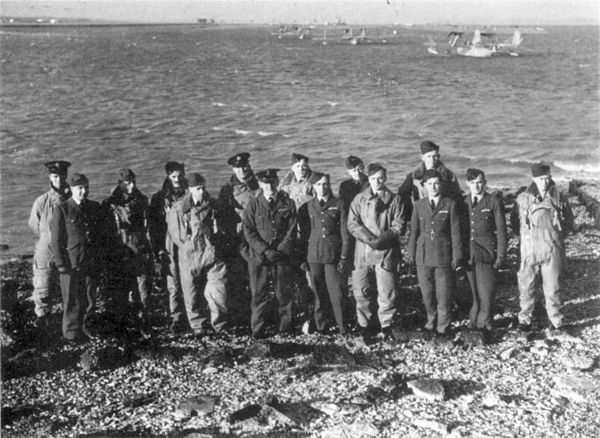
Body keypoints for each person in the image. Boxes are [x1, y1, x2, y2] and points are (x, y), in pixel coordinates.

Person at [510, 163, 573, 335]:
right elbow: (515, 223)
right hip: (528, 249)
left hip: (552, 248)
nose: (544, 182)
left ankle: (556, 320)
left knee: (553, 287)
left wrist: (555, 238)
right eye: (540, 179)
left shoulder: (559, 198)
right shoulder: (522, 199)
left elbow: (569, 223)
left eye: (546, 178)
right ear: (533, 179)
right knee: (526, 286)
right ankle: (525, 320)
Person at [347, 163, 405, 339]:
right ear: (368, 179)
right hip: (363, 251)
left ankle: (387, 324)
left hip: (386, 251)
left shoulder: (395, 200)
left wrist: (382, 239)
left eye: (380, 177)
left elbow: (399, 225)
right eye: (373, 178)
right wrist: (369, 239)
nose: (377, 181)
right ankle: (365, 324)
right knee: (361, 288)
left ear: (385, 177)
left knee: (387, 289)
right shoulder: (359, 199)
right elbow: (352, 223)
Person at [167, 173, 229, 335]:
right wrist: (189, 248)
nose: (202, 191)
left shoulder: (214, 205)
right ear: (189, 190)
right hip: (189, 257)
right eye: (198, 188)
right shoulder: (178, 208)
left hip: (213, 256)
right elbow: (176, 235)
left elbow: (223, 229)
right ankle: (198, 327)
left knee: (218, 293)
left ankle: (220, 326)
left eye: (203, 187)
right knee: (191, 296)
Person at [407, 169, 462, 336]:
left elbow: (455, 232)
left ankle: (443, 325)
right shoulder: (419, 205)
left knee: (443, 293)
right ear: (424, 185)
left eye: (437, 183)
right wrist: (410, 254)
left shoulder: (450, 205)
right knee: (427, 292)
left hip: (443, 254)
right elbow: (413, 232)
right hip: (423, 255)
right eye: (430, 183)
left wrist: (456, 255)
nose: (433, 187)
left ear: (441, 184)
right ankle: (431, 320)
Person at [243, 169, 297, 339]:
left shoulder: (287, 202)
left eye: (273, 182)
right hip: (260, 257)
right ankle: (258, 329)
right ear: (260, 184)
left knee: (283, 292)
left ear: (277, 182)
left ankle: (285, 327)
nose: (270, 186)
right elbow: (248, 231)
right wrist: (265, 250)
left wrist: (280, 250)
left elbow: (292, 228)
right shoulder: (254, 203)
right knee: (259, 293)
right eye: (266, 183)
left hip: (281, 256)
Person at [51, 173, 103, 343]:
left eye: (86, 187)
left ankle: (87, 327)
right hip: (70, 263)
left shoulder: (94, 207)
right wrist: (61, 264)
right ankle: (71, 333)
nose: (83, 191)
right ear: (72, 189)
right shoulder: (63, 209)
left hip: (90, 261)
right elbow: (57, 240)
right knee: (71, 299)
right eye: (80, 188)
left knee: (89, 297)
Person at [298, 172, 350, 335]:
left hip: (332, 256)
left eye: (326, 184)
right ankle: (322, 326)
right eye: (319, 184)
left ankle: (342, 327)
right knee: (318, 293)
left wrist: (344, 257)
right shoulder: (306, 207)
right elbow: (303, 236)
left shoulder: (339, 204)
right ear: (313, 187)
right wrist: (302, 257)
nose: (323, 187)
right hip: (313, 256)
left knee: (337, 293)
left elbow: (345, 234)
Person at [102, 168, 152, 325]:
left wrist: (149, 249)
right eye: (128, 183)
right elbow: (106, 233)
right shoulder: (110, 204)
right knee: (123, 289)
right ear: (120, 184)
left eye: (134, 183)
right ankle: (124, 320)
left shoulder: (142, 200)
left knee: (143, 289)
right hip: (121, 252)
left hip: (140, 250)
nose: (132, 186)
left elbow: (147, 227)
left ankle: (143, 317)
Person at [28, 160, 71, 328]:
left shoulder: (72, 199)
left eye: (61, 176)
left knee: (70, 285)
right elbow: (34, 225)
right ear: (50, 177)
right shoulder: (41, 201)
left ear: (66, 176)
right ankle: (43, 314)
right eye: (55, 176)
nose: (58, 180)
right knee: (42, 284)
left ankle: (70, 318)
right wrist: (49, 238)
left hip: (67, 248)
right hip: (46, 249)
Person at [463, 168, 507, 332]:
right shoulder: (463, 202)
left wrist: (501, 255)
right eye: (473, 183)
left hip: (487, 253)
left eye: (480, 182)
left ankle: (485, 324)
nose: (476, 186)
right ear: (467, 183)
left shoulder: (493, 202)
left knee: (486, 293)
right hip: (469, 255)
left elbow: (502, 231)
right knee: (474, 293)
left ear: (485, 183)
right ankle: (473, 322)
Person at [148, 161, 188, 333]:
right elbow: (154, 226)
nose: (177, 179)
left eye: (180, 176)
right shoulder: (159, 199)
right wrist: (158, 249)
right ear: (168, 176)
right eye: (173, 176)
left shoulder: (190, 192)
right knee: (173, 282)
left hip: (188, 242)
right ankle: (176, 317)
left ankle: (192, 313)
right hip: (168, 243)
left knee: (191, 279)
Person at [398, 140, 462, 221]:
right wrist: (412, 213)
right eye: (428, 156)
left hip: (444, 217)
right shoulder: (414, 176)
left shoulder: (448, 175)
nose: (432, 159)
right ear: (422, 157)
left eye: (434, 156)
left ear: (438, 156)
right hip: (422, 216)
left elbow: (457, 197)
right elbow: (402, 195)